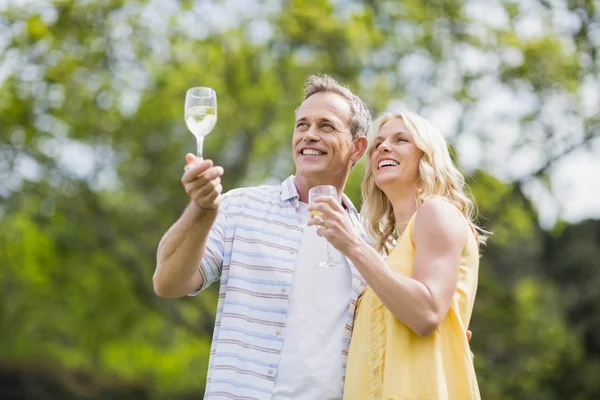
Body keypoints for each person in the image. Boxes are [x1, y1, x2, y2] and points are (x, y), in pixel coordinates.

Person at [153, 75, 371, 399]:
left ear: (357, 147)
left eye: (326, 126)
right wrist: (202, 208)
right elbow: (168, 283)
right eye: (302, 125)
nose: (309, 135)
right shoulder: (240, 207)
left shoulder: (370, 243)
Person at [307, 110, 486, 399]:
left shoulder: (436, 212)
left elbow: (427, 313)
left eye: (401, 139)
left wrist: (352, 245)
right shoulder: (391, 250)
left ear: (427, 157)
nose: (384, 147)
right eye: (378, 144)